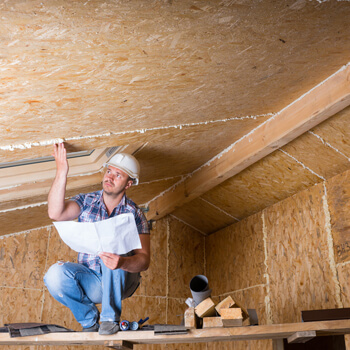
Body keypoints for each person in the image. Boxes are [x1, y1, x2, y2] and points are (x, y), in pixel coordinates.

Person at [44, 143, 150, 335]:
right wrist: (62, 171)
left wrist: (123, 262)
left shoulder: (135, 215)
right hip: (92, 280)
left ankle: (110, 320)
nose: (109, 177)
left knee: (114, 242)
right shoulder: (87, 201)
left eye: (118, 175)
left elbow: (144, 260)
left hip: (123, 280)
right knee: (54, 275)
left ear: (128, 184)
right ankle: (89, 321)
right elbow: (55, 212)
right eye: (109, 171)